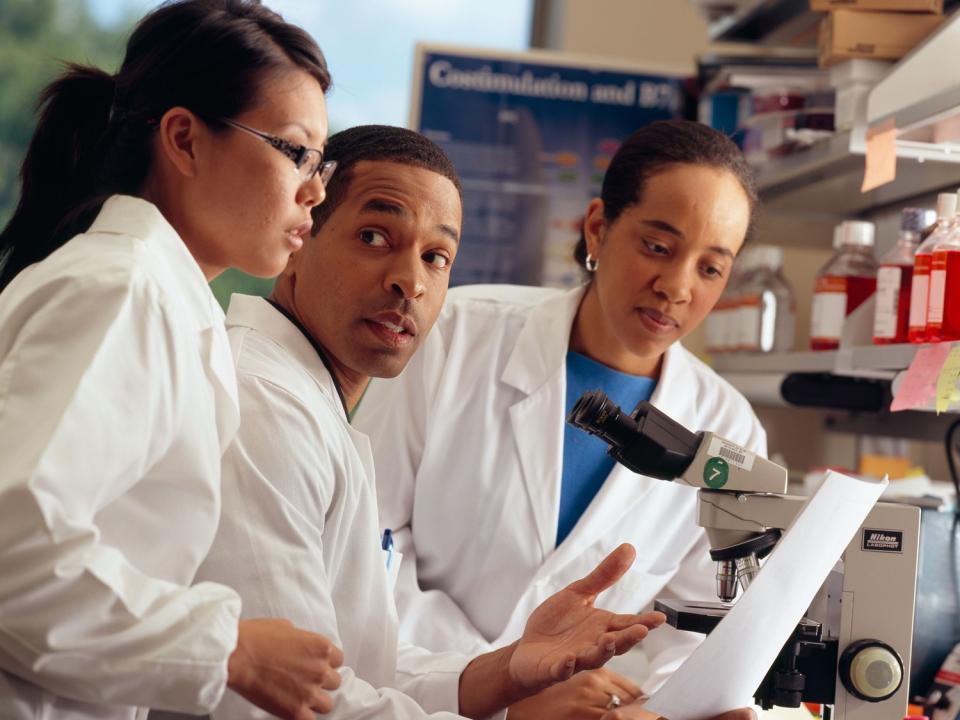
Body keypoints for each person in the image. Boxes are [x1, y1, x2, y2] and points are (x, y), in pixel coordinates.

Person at [184, 124, 668, 720]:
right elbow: (286, 699)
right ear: (299, 239)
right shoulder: (260, 404)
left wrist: (510, 672)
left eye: (436, 256)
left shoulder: (310, 403)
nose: (409, 281)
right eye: (374, 236)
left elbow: (355, 664)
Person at [354, 119, 767, 718]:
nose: (676, 286)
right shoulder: (452, 336)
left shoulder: (728, 429)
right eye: (658, 246)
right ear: (597, 228)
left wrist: (667, 708)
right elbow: (366, 552)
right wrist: (508, 685)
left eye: (711, 268)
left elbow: (701, 628)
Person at [0, 2, 344, 718]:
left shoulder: (163, 298)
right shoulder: (122, 289)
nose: (315, 190)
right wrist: (228, 649)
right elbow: (13, 554)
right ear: (185, 140)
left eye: (322, 161)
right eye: (294, 151)